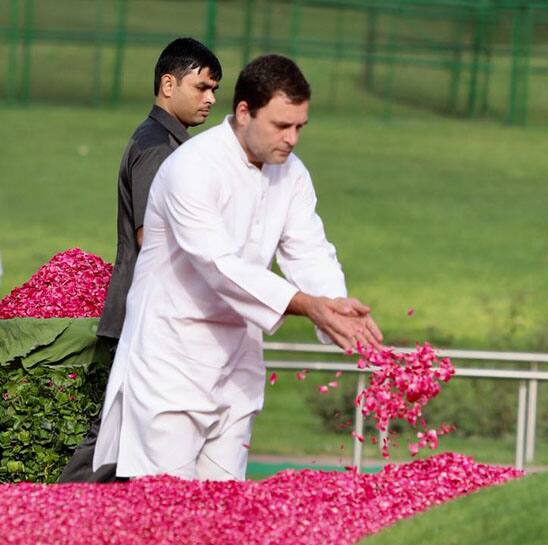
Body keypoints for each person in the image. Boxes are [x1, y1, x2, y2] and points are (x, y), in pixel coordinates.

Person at [92, 54, 383, 481]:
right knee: (168, 513)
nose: (292, 139)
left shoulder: (293, 174)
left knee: (227, 510)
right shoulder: (191, 167)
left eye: (300, 126)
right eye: (281, 126)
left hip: (237, 365)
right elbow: (218, 264)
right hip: (171, 361)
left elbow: (309, 249)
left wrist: (337, 310)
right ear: (244, 112)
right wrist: (307, 306)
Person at [58, 37, 222, 483]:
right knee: (115, 433)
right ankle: (47, 514)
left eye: (215, 90)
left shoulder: (171, 144)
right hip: (149, 313)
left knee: (132, 435)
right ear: (168, 84)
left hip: (154, 311)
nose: (210, 99)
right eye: (202, 86)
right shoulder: (158, 149)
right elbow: (156, 239)